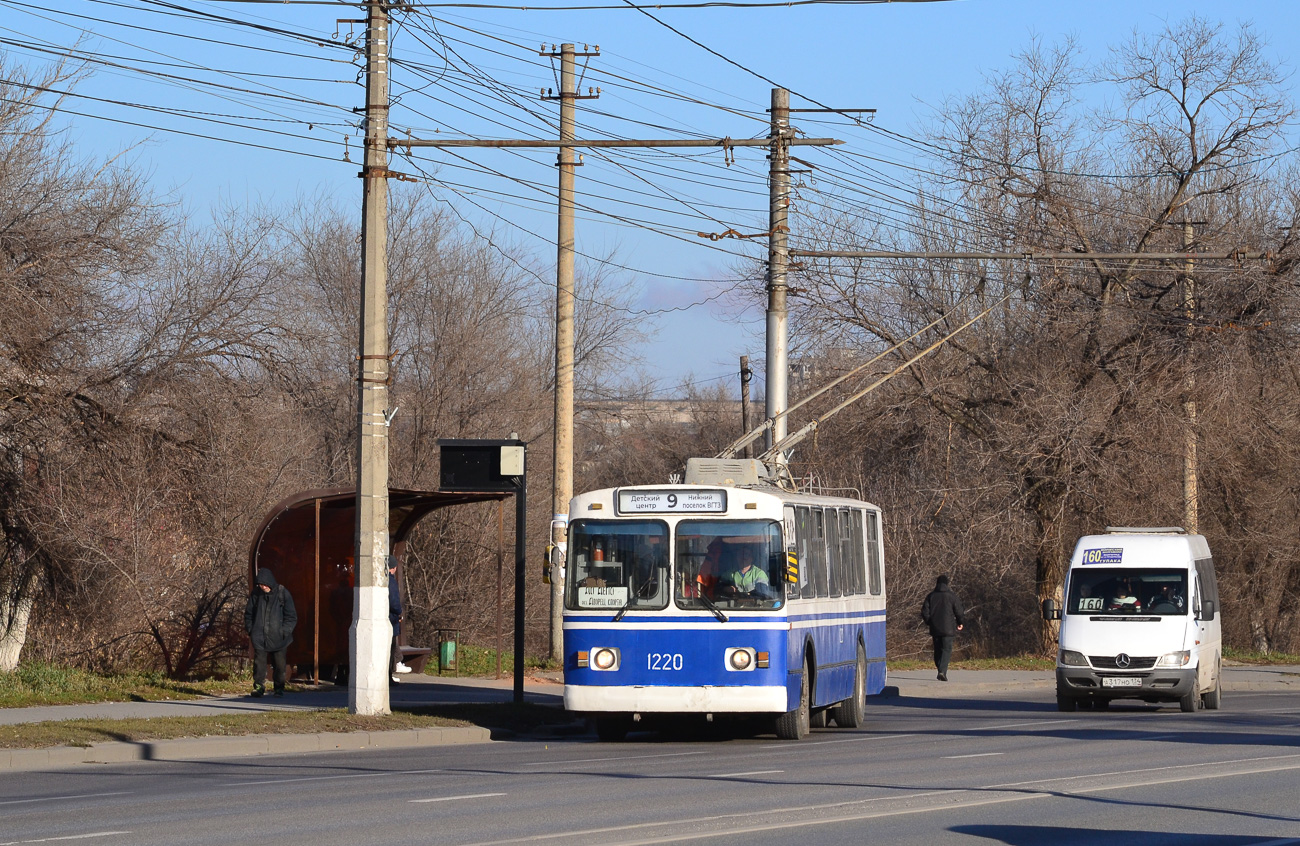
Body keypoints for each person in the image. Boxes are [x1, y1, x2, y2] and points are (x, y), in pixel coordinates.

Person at [244, 568, 297, 698]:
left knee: (279, 665)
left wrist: (284, 632)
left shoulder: (282, 593)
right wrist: (251, 630)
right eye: (260, 584)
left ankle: (279, 688)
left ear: (270, 583)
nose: (262, 587)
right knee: (259, 665)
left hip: (279, 638)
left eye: (264, 584)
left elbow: (291, 616)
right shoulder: (256, 594)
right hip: (260, 636)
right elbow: (248, 614)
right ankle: (258, 687)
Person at [921, 574, 964, 681]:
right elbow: (959, 611)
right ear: (947, 584)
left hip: (935, 628)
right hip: (948, 628)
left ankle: (940, 668)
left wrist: (930, 622)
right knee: (946, 649)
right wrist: (960, 622)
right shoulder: (952, 596)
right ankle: (942, 671)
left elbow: (924, 612)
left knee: (937, 649)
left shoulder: (931, 596)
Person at [389, 555, 409, 682]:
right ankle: (391, 672)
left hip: (387, 617)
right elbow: (394, 601)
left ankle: (396, 664)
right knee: (391, 647)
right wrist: (399, 612)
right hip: (391, 619)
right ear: (394, 567)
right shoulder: (391, 582)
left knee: (391, 646)